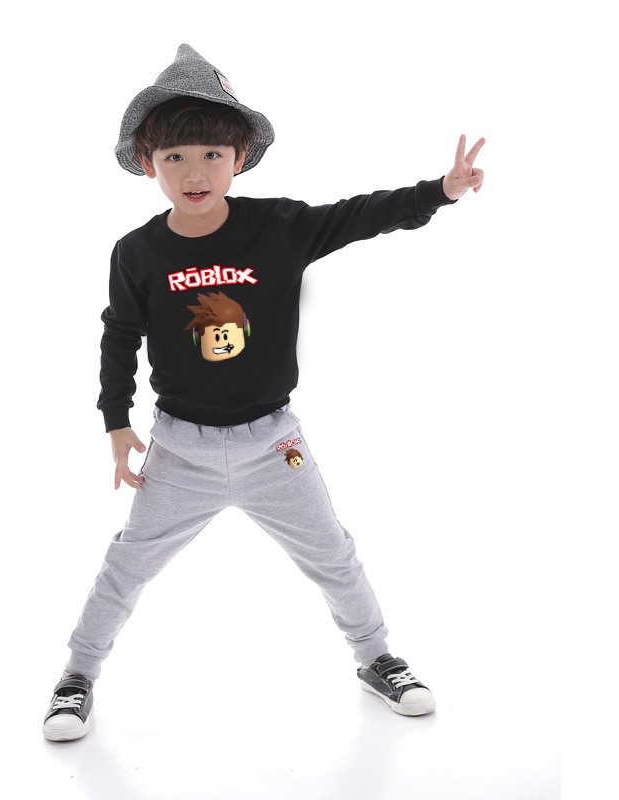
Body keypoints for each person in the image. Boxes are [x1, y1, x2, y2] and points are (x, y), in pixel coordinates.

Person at [43, 44, 485, 742]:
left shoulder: (278, 227)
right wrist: (115, 421)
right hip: (179, 452)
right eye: (175, 157)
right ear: (149, 163)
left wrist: (440, 191)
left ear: (240, 157)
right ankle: (76, 678)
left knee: (333, 554)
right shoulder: (137, 252)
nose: (195, 172)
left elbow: (359, 214)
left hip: (274, 447)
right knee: (125, 566)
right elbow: (119, 334)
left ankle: (378, 659)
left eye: (212, 155)